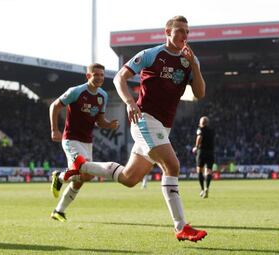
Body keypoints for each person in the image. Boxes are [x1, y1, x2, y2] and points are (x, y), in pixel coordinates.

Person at [58, 15, 207, 242]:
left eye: (187, 32)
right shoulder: (152, 54)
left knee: (129, 178)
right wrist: (129, 103)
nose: (184, 36)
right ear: (167, 31)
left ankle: (83, 165)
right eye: (179, 31)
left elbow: (199, 93)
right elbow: (120, 77)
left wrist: (195, 66)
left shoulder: (189, 61)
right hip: (145, 119)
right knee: (172, 165)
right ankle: (181, 227)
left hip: (163, 127)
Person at [49, 63, 119, 222]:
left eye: (102, 75)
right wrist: (55, 129)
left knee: (84, 178)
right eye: (96, 74)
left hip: (87, 141)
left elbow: (100, 121)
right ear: (88, 76)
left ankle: (58, 210)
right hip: (71, 139)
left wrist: (109, 124)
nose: (100, 77)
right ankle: (60, 177)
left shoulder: (103, 96)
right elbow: (54, 106)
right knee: (83, 168)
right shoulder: (76, 91)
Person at [192, 116, 215, 199]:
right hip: (210, 152)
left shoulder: (200, 130)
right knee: (209, 171)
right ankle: (207, 188)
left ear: (201, 123)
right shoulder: (212, 131)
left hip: (202, 152)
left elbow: (199, 137)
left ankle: (202, 189)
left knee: (199, 170)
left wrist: (196, 147)